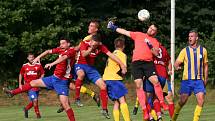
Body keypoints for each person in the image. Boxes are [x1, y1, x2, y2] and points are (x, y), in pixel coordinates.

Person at [107, 21, 168, 120]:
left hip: (148, 63)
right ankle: (144, 110)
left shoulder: (155, 41)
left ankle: (162, 102)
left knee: (156, 81)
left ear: (155, 33)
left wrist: (150, 46)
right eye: (150, 28)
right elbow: (125, 32)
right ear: (148, 28)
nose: (151, 30)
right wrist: (114, 27)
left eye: (154, 30)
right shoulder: (139, 35)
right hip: (136, 64)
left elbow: (156, 53)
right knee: (139, 85)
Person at [3, 39, 76, 121]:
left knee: (65, 105)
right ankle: (12, 93)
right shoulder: (60, 49)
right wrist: (38, 57)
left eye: (63, 43)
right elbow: (48, 51)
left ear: (68, 44)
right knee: (33, 83)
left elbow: (63, 58)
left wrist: (51, 64)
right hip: (53, 78)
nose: (61, 45)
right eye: (60, 43)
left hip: (61, 81)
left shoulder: (71, 51)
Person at [75, 34, 127, 119]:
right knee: (81, 74)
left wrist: (122, 65)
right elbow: (84, 54)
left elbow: (111, 55)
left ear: (99, 43)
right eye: (93, 44)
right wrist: (91, 48)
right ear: (91, 41)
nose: (94, 46)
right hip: (80, 65)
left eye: (96, 45)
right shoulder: (84, 43)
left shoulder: (101, 46)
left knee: (103, 86)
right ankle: (77, 99)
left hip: (91, 68)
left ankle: (104, 109)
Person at [172, 30, 208, 121]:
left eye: (192, 36)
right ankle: (173, 119)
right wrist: (176, 67)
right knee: (182, 101)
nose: (190, 38)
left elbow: (206, 66)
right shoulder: (185, 51)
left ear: (196, 38)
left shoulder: (203, 50)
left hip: (199, 80)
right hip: (187, 80)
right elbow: (176, 63)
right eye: (189, 36)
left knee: (201, 100)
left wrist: (206, 78)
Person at [133, 44, 175, 120]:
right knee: (161, 98)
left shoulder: (150, 48)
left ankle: (151, 116)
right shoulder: (162, 48)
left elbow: (169, 61)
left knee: (147, 97)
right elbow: (169, 61)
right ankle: (158, 117)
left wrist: (169, 70)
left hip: (155, 76)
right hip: (159, 76)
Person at [103, 37, 130, 121]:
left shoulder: (112, 54)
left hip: (106, 79)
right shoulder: (122, 54)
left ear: (115, 45)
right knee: (122, 100)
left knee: (116, 102)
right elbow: (123, 70)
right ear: (123, 46)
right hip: (114, 79)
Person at [19, 53, 45, 118]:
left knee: (33, 101)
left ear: (34, 58)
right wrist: (20, 84)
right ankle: (38, 114)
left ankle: (26, 109)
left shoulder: (38, 65)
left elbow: (43, 73)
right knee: (35, 100)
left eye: (32, 57)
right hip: (29, 86)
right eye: (30, 57)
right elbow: (21, 74)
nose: (31, 58)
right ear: (28, 58)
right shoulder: (24, 66)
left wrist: (40, 80)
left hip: (37, 85)